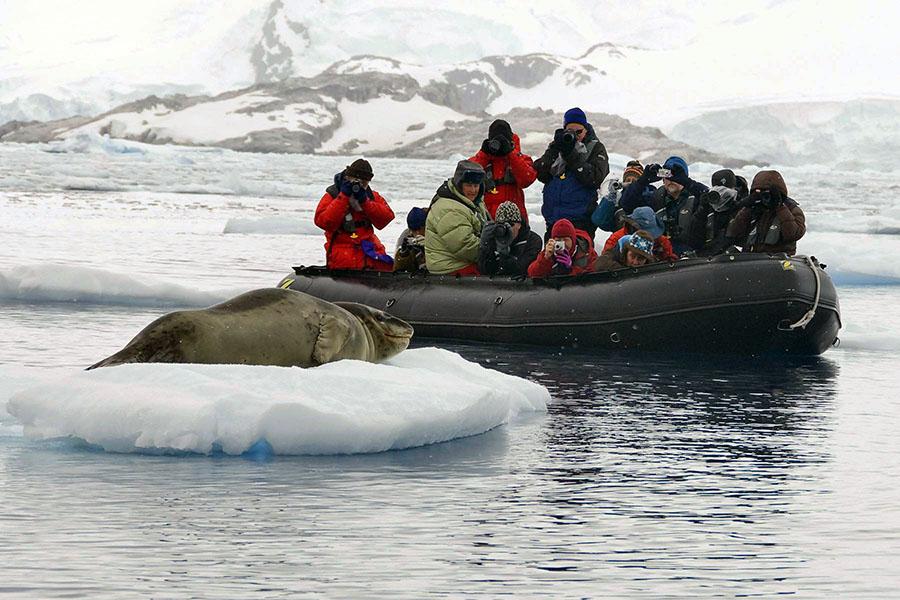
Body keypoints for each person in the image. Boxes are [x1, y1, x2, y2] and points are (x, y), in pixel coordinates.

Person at [534, 107, 610, 239]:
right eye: (570, 132)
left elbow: (595, 178)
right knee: (551, 252)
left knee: (578, 252)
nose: (575, 136)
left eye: (578, 132)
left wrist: (571, 155)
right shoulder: (558, 146)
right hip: (553, 220)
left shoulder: (595, 148)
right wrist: (554, 149)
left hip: (580, 221)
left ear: (586, 130)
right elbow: (541, 173)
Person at [314, 158, 395, 271]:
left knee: (388, 265)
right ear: (348, 177)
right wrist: (343, 197)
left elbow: (386, 219)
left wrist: (365, 202)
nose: (359, 185)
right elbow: (324, 222)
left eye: (364, 182)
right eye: (356, 180)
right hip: (343, 256)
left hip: (369, 253)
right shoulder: (333, 195)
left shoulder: (371, 196)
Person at [618, 155, 709, 255]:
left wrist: (687, 182)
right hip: (662, 254)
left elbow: (710, 197)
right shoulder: (656, 198)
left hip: (692, 255)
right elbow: (626, 204)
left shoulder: (695, 198)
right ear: (663, 179)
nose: (671, 180)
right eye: (667, 175)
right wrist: (642, 181)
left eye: (676, 175)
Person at [425, 160, 491, 275]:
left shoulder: (473, 202)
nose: (473, 190)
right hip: (450, 266)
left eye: (476, 185)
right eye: (468, 185)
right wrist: (493, 253)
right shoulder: (450, 209)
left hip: (461, 260)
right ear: (459, 185)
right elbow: (465, 246)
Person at [468, 119, 537, 223]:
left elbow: (527, 179)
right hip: (488, 221)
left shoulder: (520, 159)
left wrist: (511, 153)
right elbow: (467, 175)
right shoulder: (483, 160)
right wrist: (484, 154)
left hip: (515, 223)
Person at [726, 170, 806, 255]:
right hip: (751, 258)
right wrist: (747, 208)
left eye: (768, 193)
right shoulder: (753, 209)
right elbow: (733, 233)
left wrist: (780, 207)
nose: (764, 197)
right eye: (759, 193)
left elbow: (794, 234)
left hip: (778, 259)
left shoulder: (791, 209)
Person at [478, 201, 543, 277]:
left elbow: (521, 269)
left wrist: (503, 253)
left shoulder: (533, 241)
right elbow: (485, 271)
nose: (507, 228)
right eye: (502, 225)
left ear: (519, 225)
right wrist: (484, 245)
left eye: (510, 224)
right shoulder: (494, 239)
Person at [591, 160, 655, 233]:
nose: (630, 183)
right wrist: (610, 197)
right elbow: (599, 221)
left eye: (634, 181)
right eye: (628, 180)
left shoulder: (648, 195)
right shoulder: (617, 199)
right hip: (621, 237)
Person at [601, 206, 677, 262]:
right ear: (633, 227)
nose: (651, 236)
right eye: (646, 232)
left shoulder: (661, 240)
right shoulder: (616, 239)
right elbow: (605, 261)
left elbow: (670, 260)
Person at [527, 218, 598, 278]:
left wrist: (571, 270)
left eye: (565, 240)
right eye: (558, 240)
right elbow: (532, 273)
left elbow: (594, 276)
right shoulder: (550, 251)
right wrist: (546, 259)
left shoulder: (586, 251)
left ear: (573, 240)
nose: (562, 243)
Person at [687, 185, 740, 256]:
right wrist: (702, 211)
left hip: (729, 255)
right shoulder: (707, 211)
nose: (721, 193)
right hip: (707, 255)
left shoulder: (739, 209)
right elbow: (694, 241)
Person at [594, 230, 658, 271]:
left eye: (640, 259)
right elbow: (599, 264)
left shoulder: (653, 268)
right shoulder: (612, 254)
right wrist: (625, 271)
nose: (635, 262)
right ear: (626, 251)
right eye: (632, 256)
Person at [393, 207, 428, 272]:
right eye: (414, 230)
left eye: (420, 229)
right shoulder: (406, 235)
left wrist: (429, 246)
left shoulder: (435, 233)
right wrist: (403, 254)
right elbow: (397, 269)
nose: (417, 233)